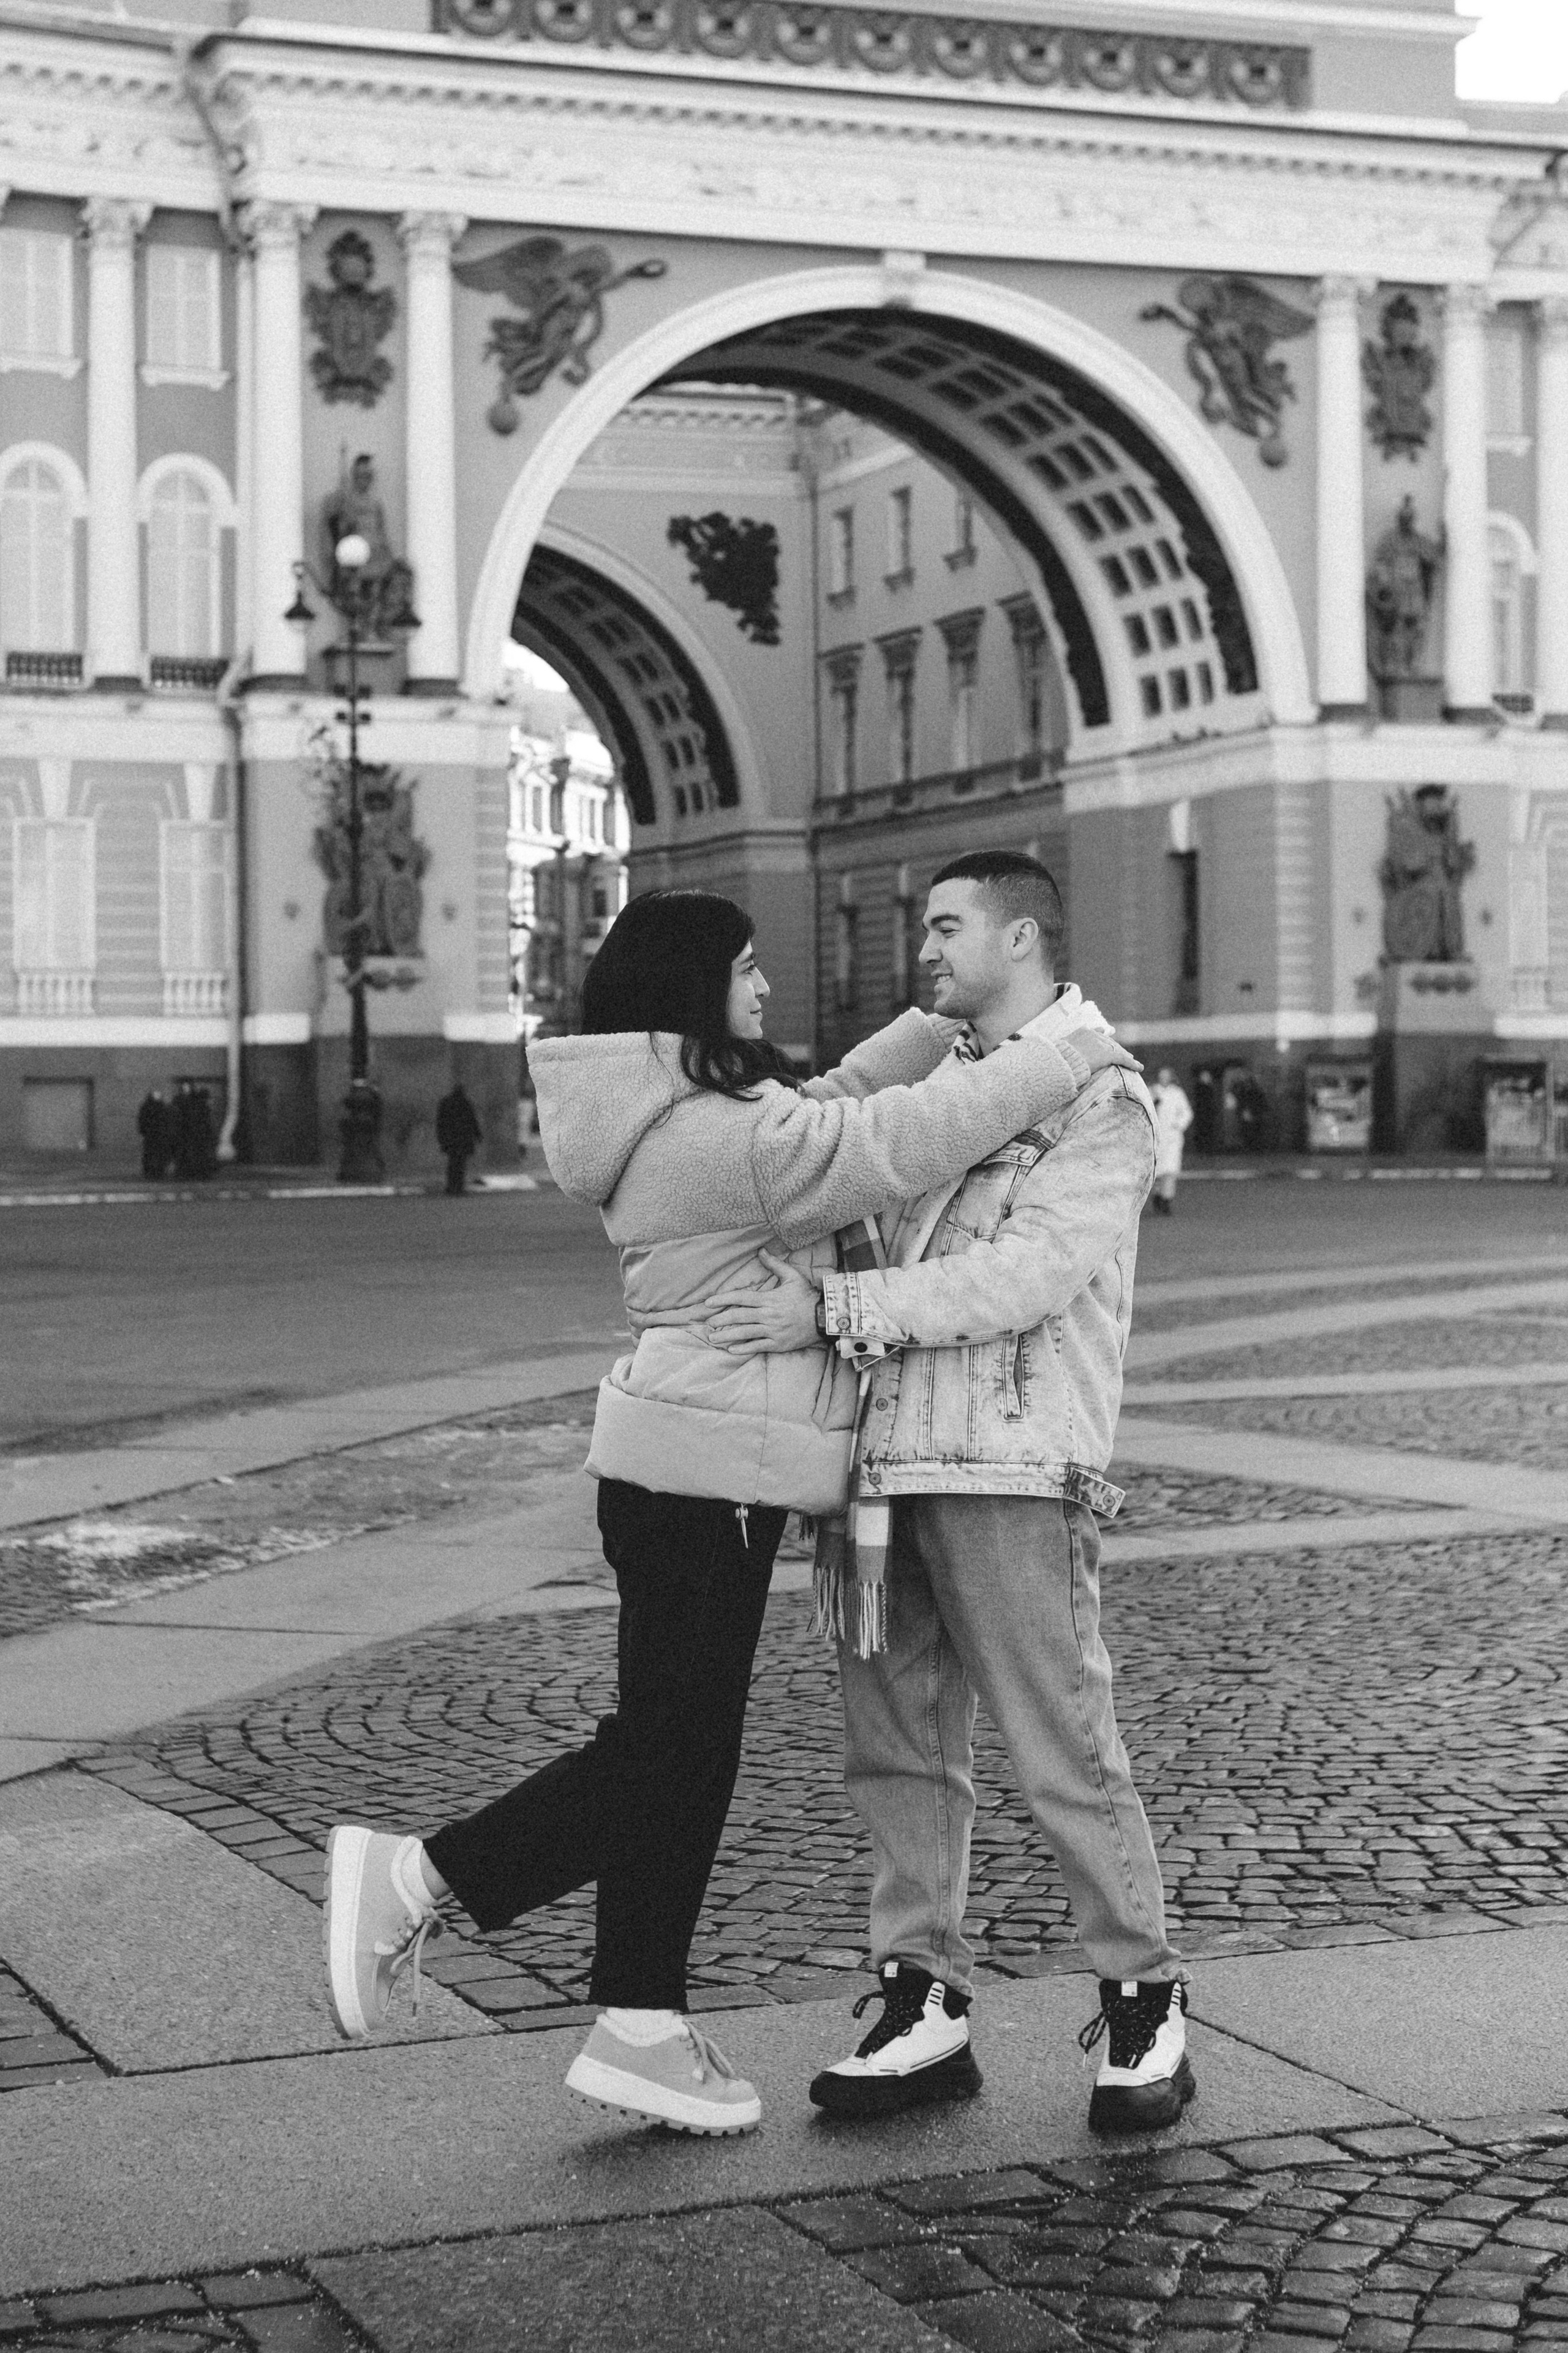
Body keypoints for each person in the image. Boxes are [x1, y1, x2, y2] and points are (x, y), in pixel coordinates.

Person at [322, 887, 1136, 2140]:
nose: (765, 988)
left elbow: (835, 1099)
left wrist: (935, 1019)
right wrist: (1059, 1052)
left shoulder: (679, 1104)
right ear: (692, 987)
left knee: (679, 1754)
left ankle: (638, 2024)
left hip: (695, 1468)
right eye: (747, 971)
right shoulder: (720, 1140)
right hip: (704, 1476)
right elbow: (889, 1143)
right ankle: (419, 1875)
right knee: (662, 1756)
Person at [695, 852, 1190, 2137]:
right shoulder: (941, 1073)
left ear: (1021, 933)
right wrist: (933, 1019)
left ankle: (1142, 2001)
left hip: (1008, 1463)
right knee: (891, 1748)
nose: (921, 946)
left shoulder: (1101, 1095)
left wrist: (838, 1307)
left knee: (1058, 1742)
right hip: (867, 1471)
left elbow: (1024, 1276)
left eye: (944, 926)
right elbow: (806, 1117)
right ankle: (921, 2001)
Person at [1149, 1066, 1194, 1215]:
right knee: (1156, 1172)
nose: (1164, 1078)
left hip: (1172, 1137)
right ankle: (1157, 1196)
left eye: (1166, 1075)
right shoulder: (1152, 1091)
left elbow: (1187, 1112)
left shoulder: (1177, 1093)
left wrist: (1178, 1125)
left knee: (1170, 1171)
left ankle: (1167, 1201)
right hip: (1155, 1137)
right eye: (1161, 1075)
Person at [435, 1079, 483, 1195]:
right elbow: (472, 1121)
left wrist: (441, 1138)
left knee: (452, 1164)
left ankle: (451, 1186)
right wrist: (478, 1136)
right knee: (460, 1165)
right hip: (463, 1139)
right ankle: (458, 1187)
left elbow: (441, 1122)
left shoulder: (446, 1103)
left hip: (451, 1139)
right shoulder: (465, 1103)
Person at [136, 1089, 172, 1181]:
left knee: (160, 1154)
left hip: (160, 1136)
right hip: (151, 1136)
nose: (157, 1096)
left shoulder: (163, 1107)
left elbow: (167, 1121)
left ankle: (159, 1171)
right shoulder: (147, 1107)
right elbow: (142, 1120)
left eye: (159, 1095)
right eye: (156, 1095)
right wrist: (145, 1131)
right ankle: (150, 1171)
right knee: (150, 1154)